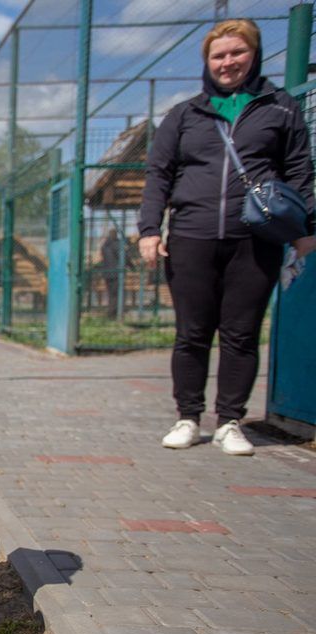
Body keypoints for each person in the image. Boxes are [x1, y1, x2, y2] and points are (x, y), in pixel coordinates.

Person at [139, 18, 315, 456]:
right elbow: (159, 174)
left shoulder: (281, 108)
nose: (228, 61)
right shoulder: (185, 114)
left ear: (253, 55)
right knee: (192, 332)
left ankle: (230, 421)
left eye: (237, 52)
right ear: (207, 62)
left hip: (255, 236)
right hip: (192, 234)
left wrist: (306, 231)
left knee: (241, 332)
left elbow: (300, 172)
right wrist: (149, 229)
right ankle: (188, 417)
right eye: (219, 55)